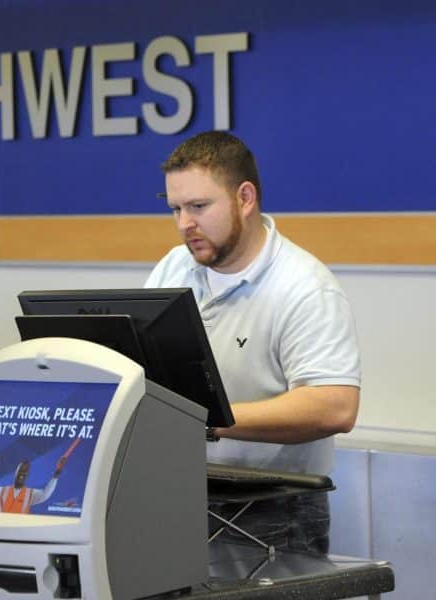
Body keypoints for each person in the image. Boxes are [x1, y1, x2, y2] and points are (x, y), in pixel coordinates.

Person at [145, 130, 360, 553]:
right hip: (181, 493)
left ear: (245, 198)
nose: (185, 223)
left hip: (274, 509)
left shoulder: (304, 287)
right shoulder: (174, 268)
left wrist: (205, 418)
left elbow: (334, 406)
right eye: (175, 209)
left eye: (198, 206)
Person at [0, 448, 68, 514]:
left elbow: (45, 494)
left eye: (25, 472)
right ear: (15, 472)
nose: (22, 473)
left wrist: (57, 471)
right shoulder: (2, 491)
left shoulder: (30, 494)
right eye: (20, 470)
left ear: (27, 476)